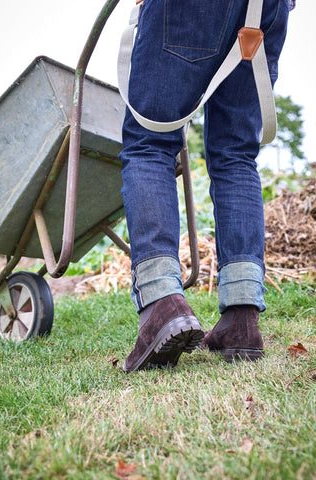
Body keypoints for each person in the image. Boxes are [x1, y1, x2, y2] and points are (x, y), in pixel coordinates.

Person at [119, 0, 294, 372]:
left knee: (149, 142)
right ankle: (241, 319)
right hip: (267, 8)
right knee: (236, 155)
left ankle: (161, 301)